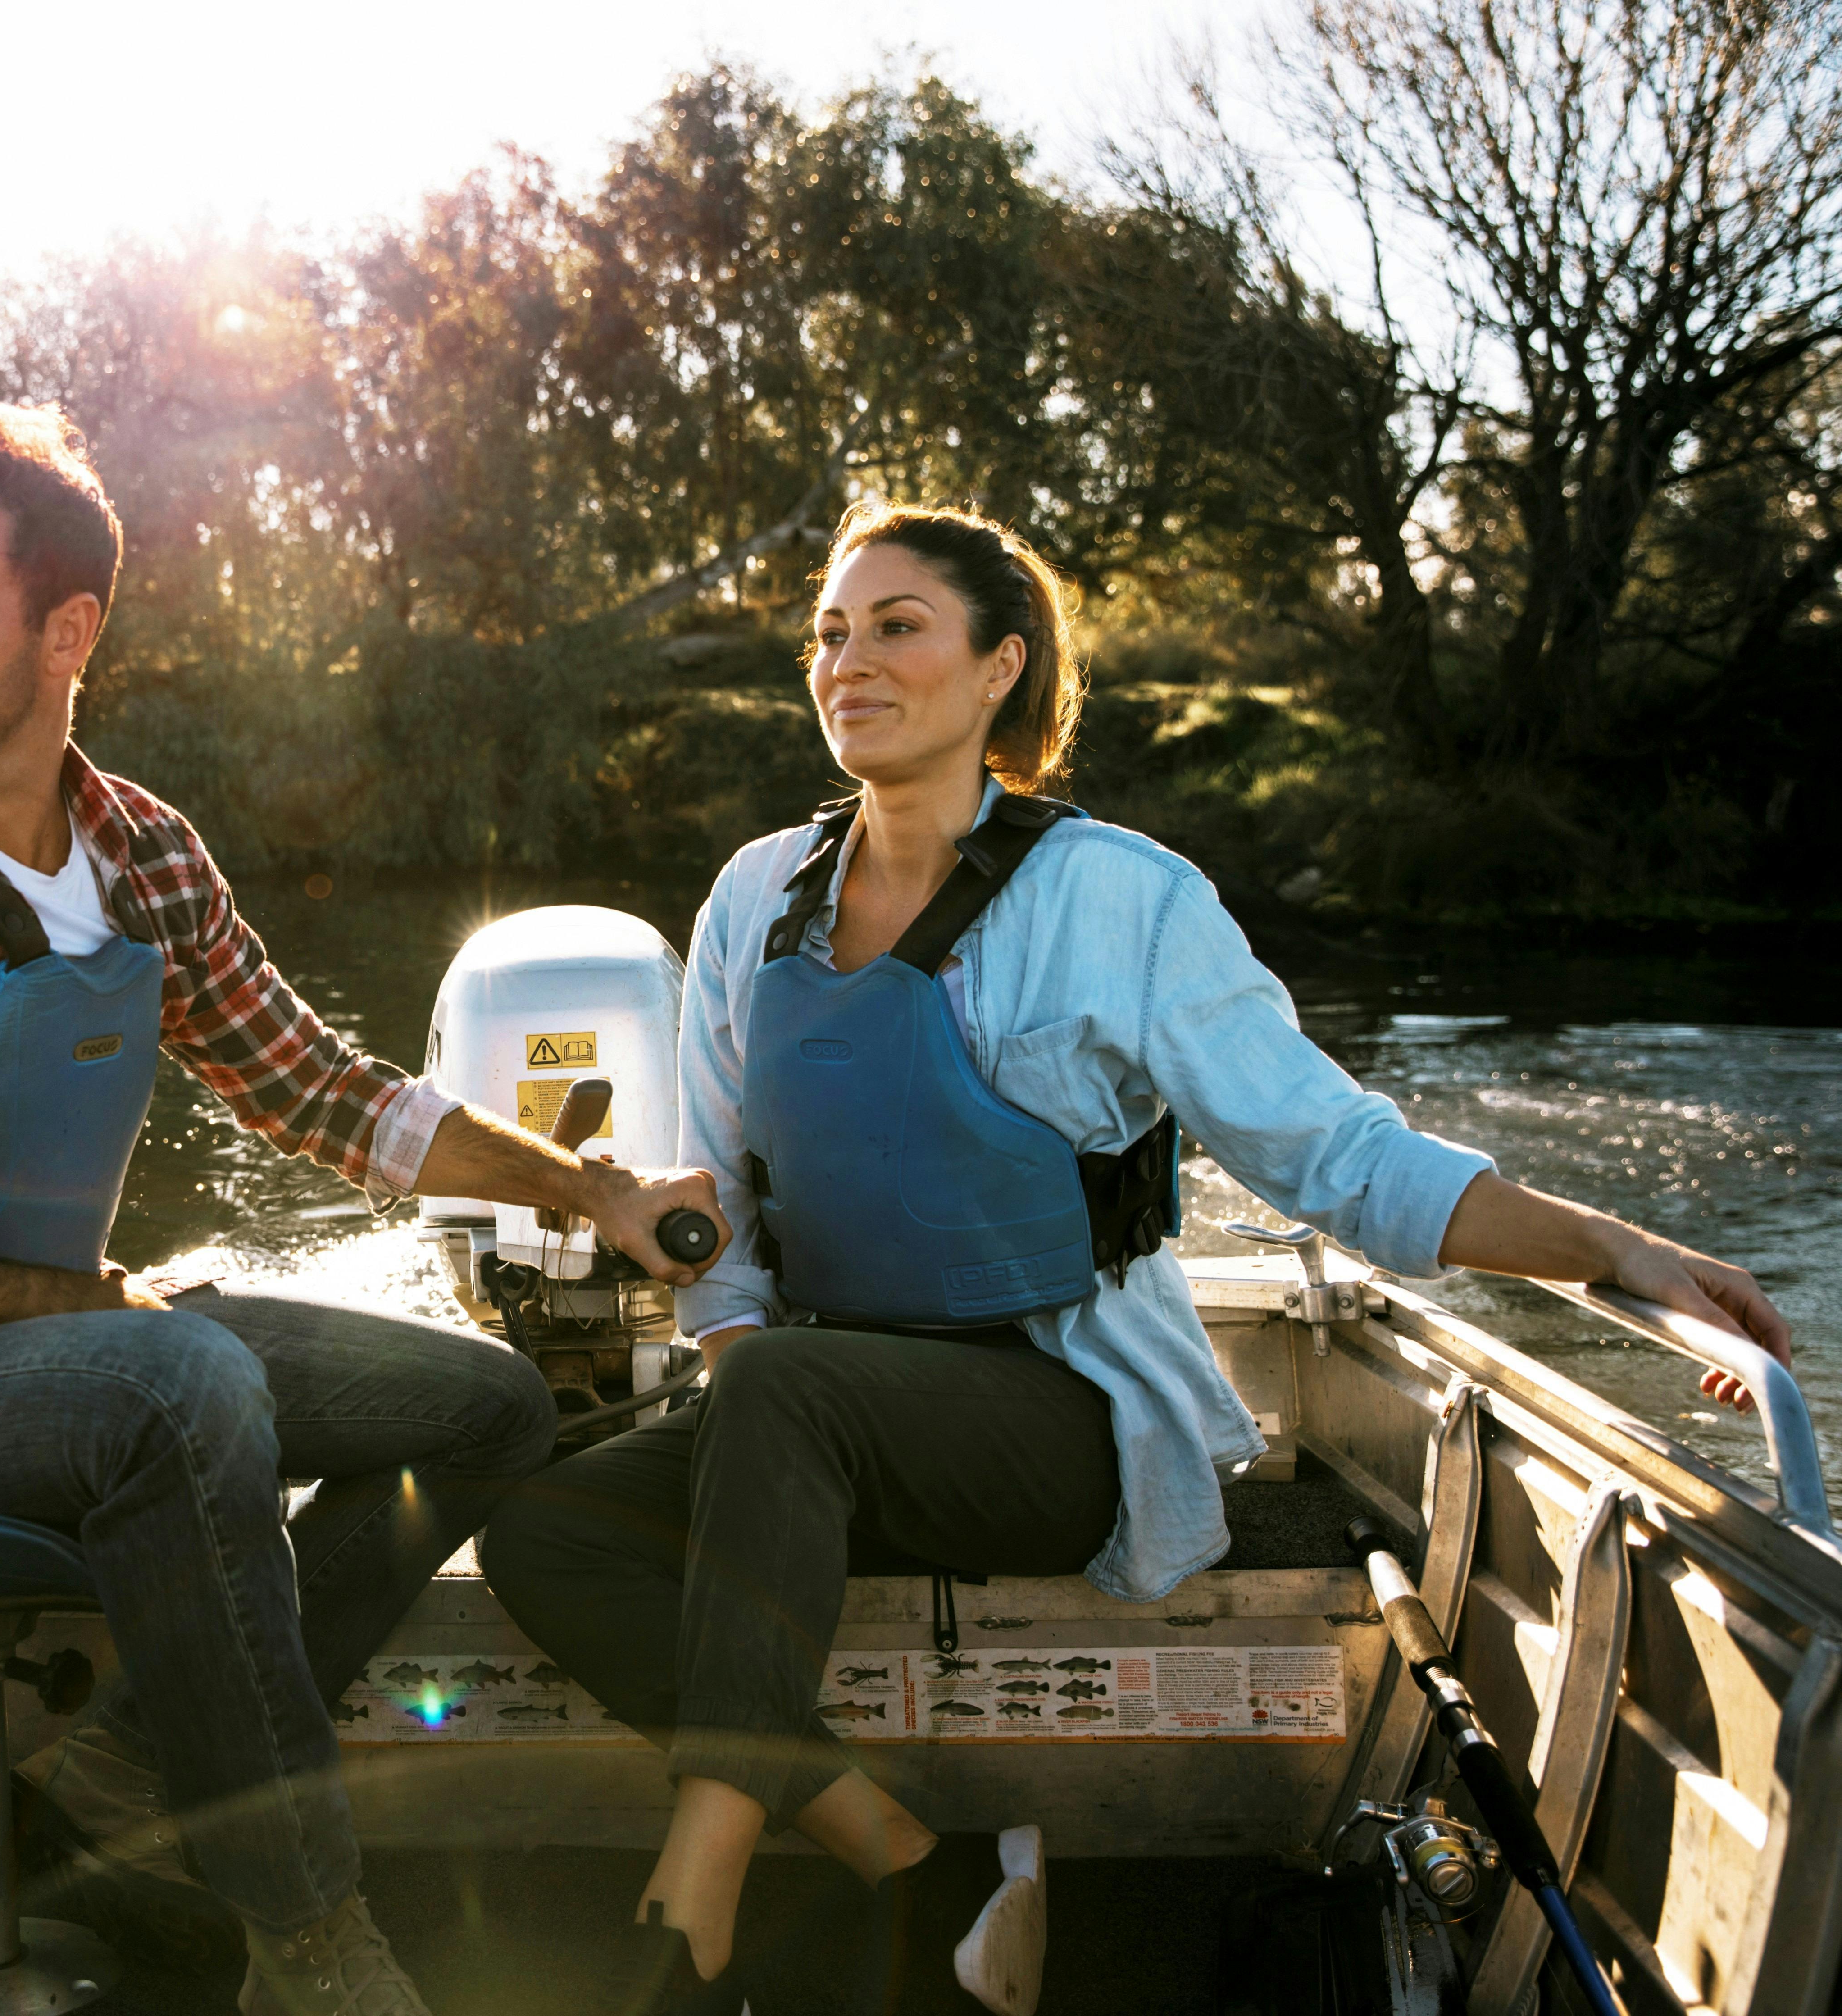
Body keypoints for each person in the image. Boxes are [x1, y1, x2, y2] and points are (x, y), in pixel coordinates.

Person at [478, 500, 1795, 2016]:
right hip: (817, 1414)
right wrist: (737, 1417)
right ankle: (902, 1847)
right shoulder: (749, 896)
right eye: (827, 634)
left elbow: (1342, 1161)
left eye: (896, 626)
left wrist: (1613, 1255)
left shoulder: (1125, 900)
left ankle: (693, 1897)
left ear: (998, 670)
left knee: (777, 1390)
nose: (847, 660)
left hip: (1060, 1412)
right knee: (546, 1527)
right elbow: (731, 1223)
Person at [0, 403, 727, 2016]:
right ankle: (306, 1942)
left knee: (493, 1408)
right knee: (181, 1377)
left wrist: (594, 1186)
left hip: (60, 1354)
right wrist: (87, 1309)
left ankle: (140, 1760)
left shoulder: (140, 851)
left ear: (67, 628)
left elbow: (321, 1092)